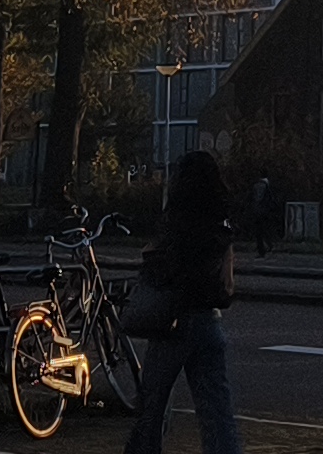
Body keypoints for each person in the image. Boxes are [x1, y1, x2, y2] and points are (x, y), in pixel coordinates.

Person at [128, 151, 246, 454]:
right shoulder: (220, 224)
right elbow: (226, 282)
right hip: (209, 320)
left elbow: (162, 267)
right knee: (218, 413)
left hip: (173, 321)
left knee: (152, 408)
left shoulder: (176, 223)